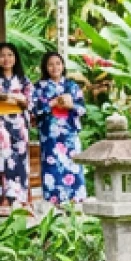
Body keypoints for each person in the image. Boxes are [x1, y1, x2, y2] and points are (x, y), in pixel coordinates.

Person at [31, 51, 87, 207]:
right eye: (50, 64)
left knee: (73, 166)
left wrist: (71, 105)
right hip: (50, 135)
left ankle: (75, 203)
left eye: (58, 63)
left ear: (63, 66)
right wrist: (52, 103)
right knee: (52, 168)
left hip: (69, 135)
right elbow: (34, 110)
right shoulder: (39, 87)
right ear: (45, 67)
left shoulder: (72, 86)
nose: (54, 67)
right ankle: (53, 204)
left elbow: (82, 109)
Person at [0, 42, 32, 216]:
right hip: (0, 124)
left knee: (20, 161)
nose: (6, 59)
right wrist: (13, 97)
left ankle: (20, 199)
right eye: (2, 55)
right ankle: (5, 198)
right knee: (4, 159)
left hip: (18, 125)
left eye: (10, 55)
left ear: (15, 58)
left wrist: (14, 97)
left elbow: (29, 102)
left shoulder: (23, 80)